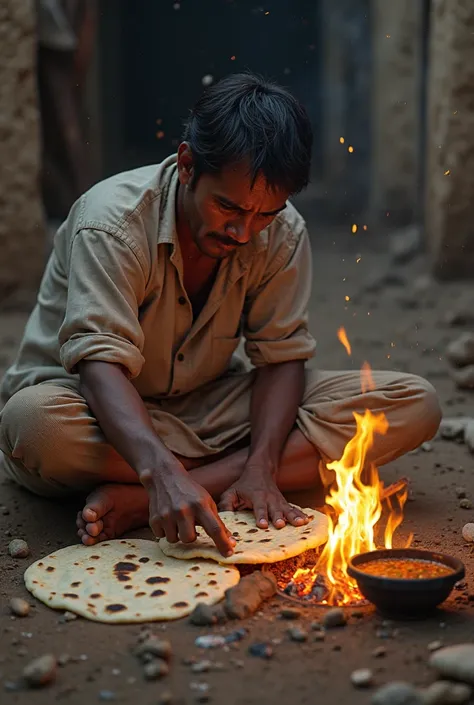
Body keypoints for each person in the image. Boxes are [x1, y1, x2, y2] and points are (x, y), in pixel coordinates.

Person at [0, 74, 441, 557]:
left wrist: (263, 464)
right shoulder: (112, 224)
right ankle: (185, 478)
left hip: (209, 408)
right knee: (34, 425)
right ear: (188, 164)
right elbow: (98, 364)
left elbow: (281, 358)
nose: (243, 231)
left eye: (264, 215)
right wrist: (161, 471)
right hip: (95, 411)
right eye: (227, 206)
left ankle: (170, 490)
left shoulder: (283, 232)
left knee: (412, 403)